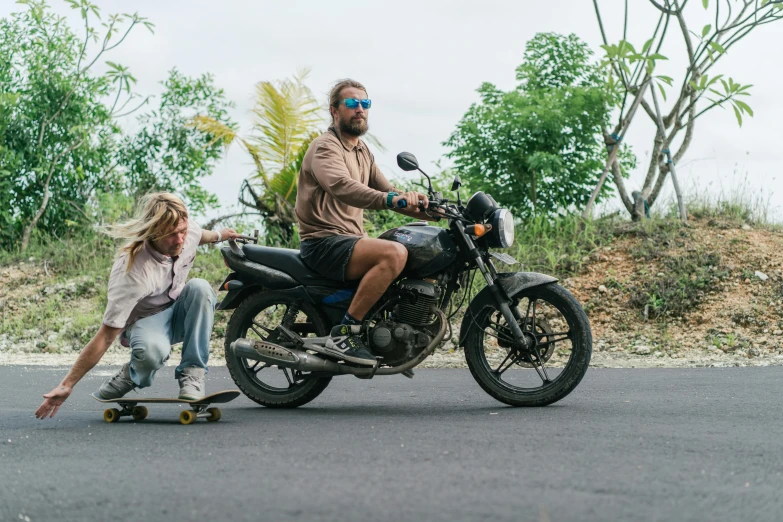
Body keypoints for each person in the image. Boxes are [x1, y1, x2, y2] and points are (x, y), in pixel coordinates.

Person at [35, 192, 241, 419]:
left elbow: (201, 234)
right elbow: (104, 336)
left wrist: (221, 235)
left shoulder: (186, 231)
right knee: (152, 354)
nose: (181, 240)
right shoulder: (132, 271)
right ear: (153, 232)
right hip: (145, 322)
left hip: (179, 309)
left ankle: (192, 374)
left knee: (201, 288)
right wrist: (67, 384)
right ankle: (132, 375)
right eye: (172, 235)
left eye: (182, 231)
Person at [295, 79, 439, 366]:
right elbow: (342, 186)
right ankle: (345, 334)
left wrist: (434, 211)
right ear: (335, 111)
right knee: (395, 252)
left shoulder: (362, 151)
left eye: (365, 103)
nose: (360, 109)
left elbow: (389, 193)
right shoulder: (325, 147)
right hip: (323, 242)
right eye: (352, 103)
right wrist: (390, 200)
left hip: (349, 241)